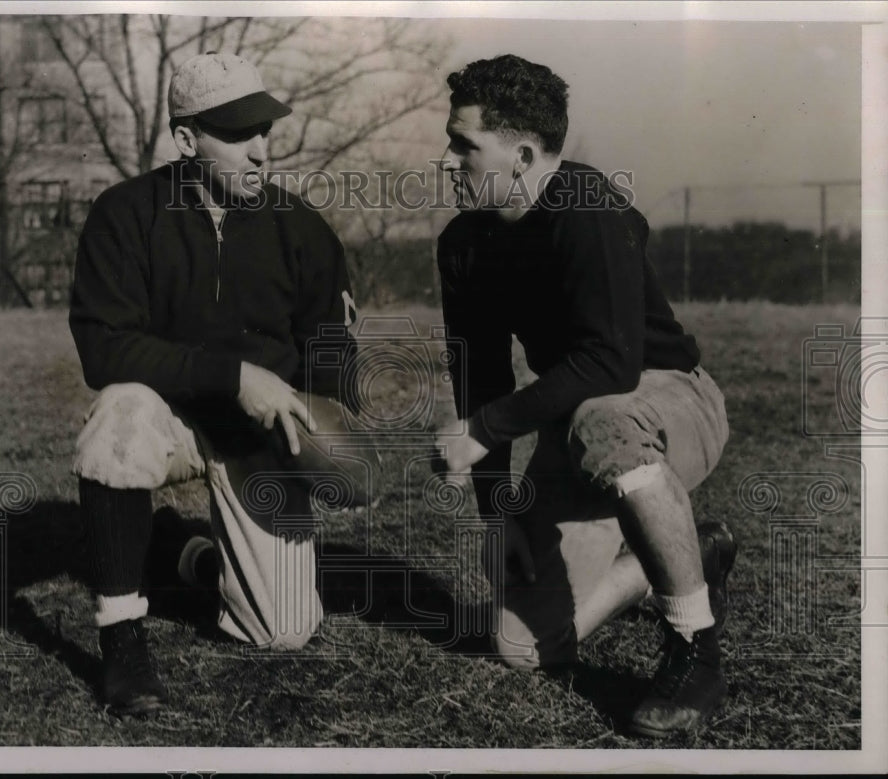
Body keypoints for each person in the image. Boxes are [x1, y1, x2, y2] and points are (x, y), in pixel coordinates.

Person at [432, 54, 736, 738]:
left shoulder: (586, 207)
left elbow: (611, 359)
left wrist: (484, 427)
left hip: (667, 399)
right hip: (582, 420)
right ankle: (697, 553)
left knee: (601, 418)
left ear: (525, 154)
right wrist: (495, 509)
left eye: (464, 144)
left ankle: (695, 649)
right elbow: (481, 374)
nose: (448, 160)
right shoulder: (462, 244)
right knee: (519, 646)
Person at [69, 52, 368, 717]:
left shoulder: (303, 229)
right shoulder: (126, 214)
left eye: (265, 130)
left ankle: (184, 550)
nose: (261, 151)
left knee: (282, 630)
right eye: (237, 134)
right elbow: (103, 347)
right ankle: (122, 638)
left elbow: (331, 350)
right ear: (185, 140)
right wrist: (231, 375)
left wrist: (333, 434)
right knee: (118, 415)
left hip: (255, 438)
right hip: (168, 416)